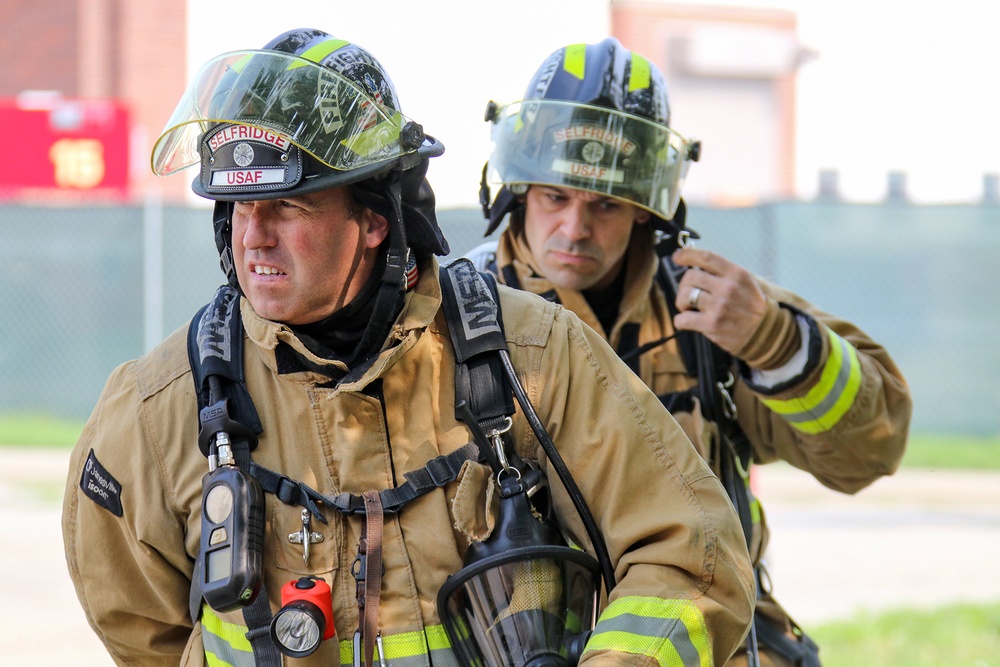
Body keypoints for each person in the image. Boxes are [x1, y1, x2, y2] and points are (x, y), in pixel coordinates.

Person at [62, 29, 755, 667]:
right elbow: (138, 626)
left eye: (289, 207)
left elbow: (692, 553)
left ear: (372, 220)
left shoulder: (537, 356)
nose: (254, 236)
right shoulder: (157, 408)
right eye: (241, 207)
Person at [469, 38, 912, 667]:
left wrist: (775, 341)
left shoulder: (711, 312)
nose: (574, 229)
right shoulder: (457, 324)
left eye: (606, 204)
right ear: (517, 193)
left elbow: (873, 448)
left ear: (649, 211)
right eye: (554, 197)